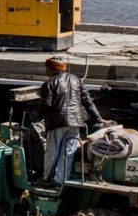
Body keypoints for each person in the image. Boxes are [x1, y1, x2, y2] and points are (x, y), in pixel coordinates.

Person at [38, 55, 101, 186]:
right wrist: (98, 118)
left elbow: (45, 106)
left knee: (52, 152)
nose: (45, 72)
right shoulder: (76, 80)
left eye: (47, 68)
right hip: (76, 122)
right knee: (68, 153)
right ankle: (60, 181)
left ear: (51, 69)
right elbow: (87, 102)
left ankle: (47, 179)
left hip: (57, 122)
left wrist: (32, 116)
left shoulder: (49, 83)